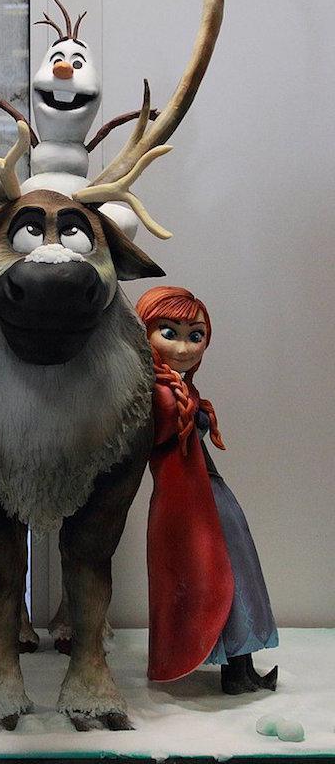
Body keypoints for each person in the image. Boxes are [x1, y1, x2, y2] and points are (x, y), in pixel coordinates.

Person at [135, 286, 278, 694]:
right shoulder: (155, 393)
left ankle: (242, 668)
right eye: (169, 333)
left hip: (210, 494)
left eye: (195, 336)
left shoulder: (179, 388)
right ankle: (234, 670)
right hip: (187, 502)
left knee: (237, 577)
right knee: (210, 581)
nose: (184, 347)